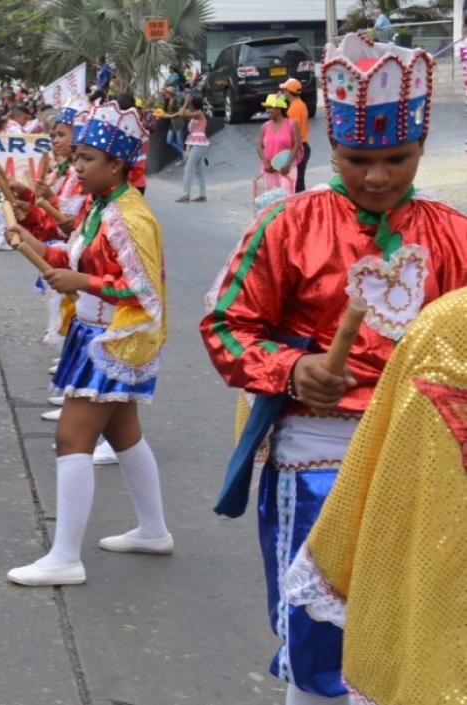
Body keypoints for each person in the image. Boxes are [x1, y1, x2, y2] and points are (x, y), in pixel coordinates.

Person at [200, 36, 465, 705]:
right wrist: (293, 370)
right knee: (318, 646)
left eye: (396, 159)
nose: (377, 177)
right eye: (358, 160)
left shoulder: (454, 234)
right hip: (316, 456)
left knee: (412, 638)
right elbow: (226, 327)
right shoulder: (288, 224)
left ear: (421, 148)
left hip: (422, 464)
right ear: (332, 147)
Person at [6, 102, 172, 587]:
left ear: (117, 165)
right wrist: (31, 242)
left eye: (86, 158)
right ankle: (153, 529)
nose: (75, 166)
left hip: (112, 338)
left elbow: (143, 291)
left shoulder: (128, 217)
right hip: (93, 331)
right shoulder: (101, 208)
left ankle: (65, 556)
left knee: (71, 439)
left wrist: (85, 281)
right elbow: (69, 256)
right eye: (76, 156)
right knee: (124, 434)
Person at [283, 287, 467, 705]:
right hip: (318, 448)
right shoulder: (450, 325)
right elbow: (235, 325)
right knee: (315, 654)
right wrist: (290, 368)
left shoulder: (451, 312)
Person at [257, 93, 301, 189]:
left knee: (286, 196)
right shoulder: (265, 126)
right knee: (272, 199)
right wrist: (266, 163)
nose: (267, 110)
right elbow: (259, 146)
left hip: (286, 169)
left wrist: (288, 165)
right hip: (269, 170)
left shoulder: (292, 124)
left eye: (270, 107)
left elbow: (297, 144)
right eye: (267, 107)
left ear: (279, 109)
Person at [176, 94, 209, 203]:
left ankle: (186, 195)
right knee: (198, 170)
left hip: (199, 144)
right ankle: (202, 195)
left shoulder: (199, 113)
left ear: (193, 104)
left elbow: (181, 113)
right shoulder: (197, 114)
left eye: (190, 103)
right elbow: (182, 113)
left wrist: (186, 101)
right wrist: (186, 102)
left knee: (188, 168)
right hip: (198, 144)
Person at [281, 79, 311, 193]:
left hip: (298, 148)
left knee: (296, 182)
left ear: (289, 92)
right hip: (304, 145)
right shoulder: (302, 105)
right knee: (299, 179)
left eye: (284, 90)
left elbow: (293, 132)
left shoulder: (293, 109)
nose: (283, 93)